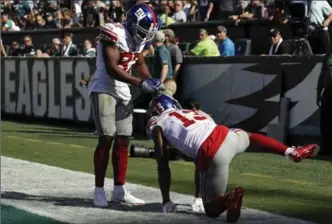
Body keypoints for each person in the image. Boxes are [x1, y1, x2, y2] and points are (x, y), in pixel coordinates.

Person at [146, 94, 319, 222]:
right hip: (225, 134)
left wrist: (166, 200)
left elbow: (163, 165)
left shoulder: (159, 123)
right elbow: (205, 133)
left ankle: (229, 199)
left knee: (212, 210)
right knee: (250, 137)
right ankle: (290, 151)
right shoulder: (192, 111)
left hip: (211, 151)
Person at [87, 3, 164, 208]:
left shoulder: (138, 40)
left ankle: (119, 190)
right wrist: (140, 83)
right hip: (104, 86)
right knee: (106, 137)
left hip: (123, 90)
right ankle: (99, 190)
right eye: (141, 31)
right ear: (131, 23)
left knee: (123, 139)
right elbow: (112, 68)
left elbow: (139, 63)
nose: (144, 37)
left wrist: (150, 79)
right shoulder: (113, 33)